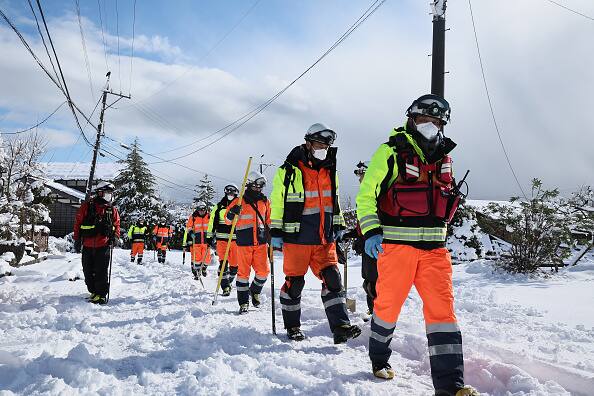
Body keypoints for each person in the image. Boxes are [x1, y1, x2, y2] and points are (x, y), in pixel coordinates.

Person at [356, 94, 478, 395]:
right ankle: (379, 360)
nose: (431, 126)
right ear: (412, 119)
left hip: (436, 250)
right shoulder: (389, 152)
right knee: (386, 308)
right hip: (396, 248)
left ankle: (451, 387)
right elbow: (366, 196)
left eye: (437, 122)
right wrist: (371, 232)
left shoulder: (445, 158)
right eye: (425, 119)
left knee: (443, 315)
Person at [270, 123, 361, 344]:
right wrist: (275, 230)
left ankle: (341, 327)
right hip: (297, 239)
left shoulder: (330, 169)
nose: (323, 148)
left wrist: (338, 225)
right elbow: (278, 202)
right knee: (295, 284)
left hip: (323, 239)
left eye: (327, 144)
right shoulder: (288, 170)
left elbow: (334, 201)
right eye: (320, 143)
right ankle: (293, 327)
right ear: (308, 143)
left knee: (333, 280)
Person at [225, 172, 270, 314]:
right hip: (244, 243)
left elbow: (268, 220)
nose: (258, 189)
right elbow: (227, 219)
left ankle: (255, 290)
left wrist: (272, 235)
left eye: (260, 186)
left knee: (263, 272)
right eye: (255, 186)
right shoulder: (239, 201)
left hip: (261, 243)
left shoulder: (265, 201)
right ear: (249, 184)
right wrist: (232, 213)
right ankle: (243, 302)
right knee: (243, 274)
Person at [73, 181, 120, 305]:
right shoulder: (87, 206)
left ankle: (101, 295)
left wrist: (115, 237)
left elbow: (117, 224)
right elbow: (78, 222)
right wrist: (77, 239)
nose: (109, 195)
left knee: (101, 271)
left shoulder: (111, 209)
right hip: (87, 245)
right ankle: (94, 292)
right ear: (100, 192)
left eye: (111, 193)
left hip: (103, 245)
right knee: (87, 271)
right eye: (107, 192)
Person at [343, 161, 377, 321]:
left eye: (362, 175)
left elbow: (377, 221)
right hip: (367, 244)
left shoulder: (377, 191)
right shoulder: (366, 193)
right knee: (369, 282)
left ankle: (378, 313)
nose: (359, 179)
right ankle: (374, 311)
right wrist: (353, 234)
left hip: (376, 246)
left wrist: (362, 237)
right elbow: (363, 221)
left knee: (373, 283)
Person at [207, 184, 240, 296]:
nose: (230, 194)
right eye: (228, 192)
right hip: (222, 240)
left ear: (236, 193)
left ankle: (229, 281)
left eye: (233, 192)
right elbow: (212, 221)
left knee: (235, 266)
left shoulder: (240, 205)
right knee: (223, 263)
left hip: (236, 240)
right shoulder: (219, 206)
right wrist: (209, 236)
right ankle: (225, 286)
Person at [183, 201, 211, 280]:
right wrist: (191, 232)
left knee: (207, 259)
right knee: (197, 259)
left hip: (206, 241)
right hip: (196, 241)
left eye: (203, 209)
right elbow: (188, 227)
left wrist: (213, 237)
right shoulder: (193, 217)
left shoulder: (209, 216)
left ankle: (204, 268)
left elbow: (212, 227)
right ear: (197, 209)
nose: (202, 211)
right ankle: (197, 272)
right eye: (200, 209)